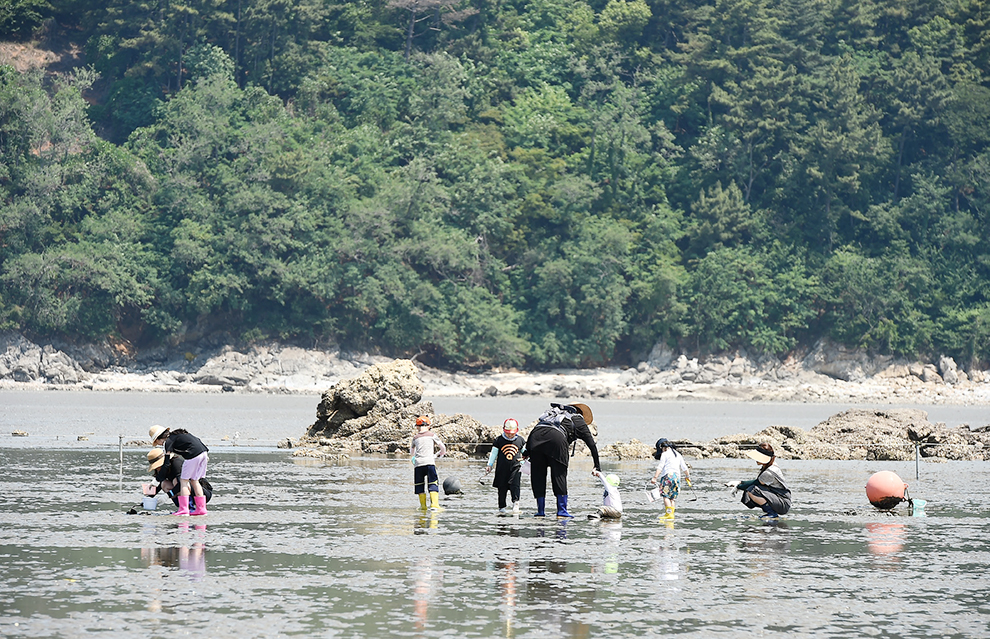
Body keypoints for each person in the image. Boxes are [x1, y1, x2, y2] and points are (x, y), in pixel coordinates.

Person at [524, 402, 601, 518]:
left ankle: (540, 511)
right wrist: (597, 466)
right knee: (559, 475)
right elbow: (592, 445)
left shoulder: (551, 415)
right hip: (556, 439)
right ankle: (561, 511)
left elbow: (538, 429)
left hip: (535, 438)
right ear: (579, 412)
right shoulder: (578, 420)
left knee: (538, 476)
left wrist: (527, 451)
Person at [150, 425, 210, 516]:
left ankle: (184, 509)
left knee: (183, 481)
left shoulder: (167, 442)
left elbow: (166, 464)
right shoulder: (177, 435)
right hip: (204, 453)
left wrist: (157, 481)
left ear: (159, 439)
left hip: (193, 455)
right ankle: (201, 509)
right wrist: (151, 493)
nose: (159, 444)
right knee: (195, 480)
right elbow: (197, 440)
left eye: (157, 442)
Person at [734, 442, 791, 519]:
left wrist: (738, 486)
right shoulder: (771, 464)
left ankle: (771, 513)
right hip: (778, 499)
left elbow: (756, 483)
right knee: (751, 490)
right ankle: (770, 511)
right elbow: (757, 481)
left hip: (783, 503)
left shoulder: (769, 471)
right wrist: (740, 483)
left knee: (752, 490)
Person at [147, 447, 213, 513]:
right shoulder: (162, 469)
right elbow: (159, 484)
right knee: (164, 484)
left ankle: (189, 508)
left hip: (202, 492)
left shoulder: (176, 463)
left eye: (158, 465)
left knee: (176, 481)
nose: (157, 468)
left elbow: (181, 484)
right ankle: (182, 507)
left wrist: (167, 495)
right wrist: (149, 498)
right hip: (187, 490)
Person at [485, 418, 526, 515]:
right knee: (501, 487)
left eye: (512, 433)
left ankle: (516, 505)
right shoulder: (499, 440)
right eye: (508, 433)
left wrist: (525, 462)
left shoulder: (520, 440)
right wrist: (489, 465)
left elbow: (525, 453)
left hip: (516, 468)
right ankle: (502, 507)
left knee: (515, 486)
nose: (510, 435)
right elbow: (493, 454)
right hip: (501, 469)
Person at [411, 415, 447, 511]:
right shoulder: (432, 435)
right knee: (433, 482)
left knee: (419, 485)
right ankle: (434, 505)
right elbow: (442, 447)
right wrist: (439, 454)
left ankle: (423, 506)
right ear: (428, 426)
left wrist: (414, 458)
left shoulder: (415, 438)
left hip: (418, 464)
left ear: (417, 427)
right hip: (430, 463)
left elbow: (412, 451)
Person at [650, 438, 691, 520]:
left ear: (663, 448)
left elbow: (660, 467)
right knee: (672, 497)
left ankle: (668, 514)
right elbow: (684, 467)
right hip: (677, 478)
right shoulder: (678, 454)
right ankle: (671, 515)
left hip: (668, 476)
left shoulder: (665, 454)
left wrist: (655, 477)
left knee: (665, 496)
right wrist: (687, 476)